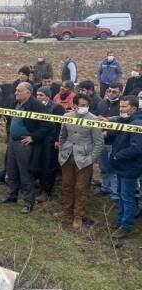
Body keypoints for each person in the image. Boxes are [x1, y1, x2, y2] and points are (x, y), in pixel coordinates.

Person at [0, 82, 51, 214]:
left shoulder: (36, 106)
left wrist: (33, 137)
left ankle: (28, 202)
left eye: (19, 91)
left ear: (28, 92)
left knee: (25, 173)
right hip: (13, 142)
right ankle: (12, 195)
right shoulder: (17, 103)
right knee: (12, 170)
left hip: (24, 144)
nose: (15, 93)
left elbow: (48, 125)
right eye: (16, 90)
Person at [55, 94, 104, 228]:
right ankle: (66, 209)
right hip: (67, 156)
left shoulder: (93, 119)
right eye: (82, 105)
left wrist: (91, 159)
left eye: (86, 105)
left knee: (80, 188)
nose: (84, 108)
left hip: (84, 159)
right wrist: (62, 151)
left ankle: (78, 215)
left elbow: (99, 143)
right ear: (75, 105)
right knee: (66, 185)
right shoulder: (67, 117)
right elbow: (62, 136)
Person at [108, 95, 142, 239]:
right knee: (122, 195)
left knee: (127, 197)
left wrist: (118, 155)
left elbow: (137, 148)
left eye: (124, 107)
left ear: (133, 108)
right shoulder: (129, 120)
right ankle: (121, 220)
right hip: (123, 166)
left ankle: (126, 226)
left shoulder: (137, 124)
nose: (121, 109)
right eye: (120, 106)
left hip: (130, 167)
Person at [34, 86, 66, 202]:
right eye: (37, 95)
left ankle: (46, 191)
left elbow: (61, 126)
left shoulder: (57, 108)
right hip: (39, 140)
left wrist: (57, 140)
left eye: (41, 95)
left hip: (51, 141)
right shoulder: (36, 107)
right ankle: (39, 185)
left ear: (48, 96)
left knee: (49, 165)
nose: (38, 97)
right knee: (39, 163)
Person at [96, 83, 123, 201]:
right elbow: (97, 119)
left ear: (120, 93)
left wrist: (108, 133)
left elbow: (123, 124)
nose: (111, 94)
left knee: (114, 168)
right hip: (101, 141)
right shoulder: (102, 103)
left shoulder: (122, 106)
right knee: (103, 166)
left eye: (114, 92)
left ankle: (115, 192)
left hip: (115, 142)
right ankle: (105, 187)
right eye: (109, 91)